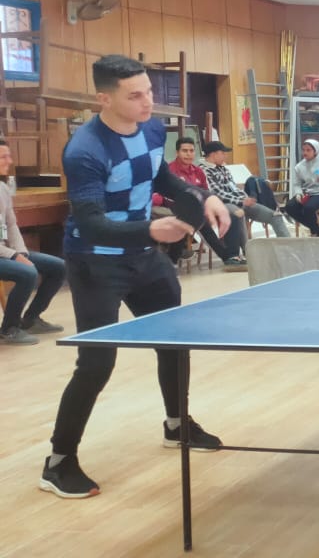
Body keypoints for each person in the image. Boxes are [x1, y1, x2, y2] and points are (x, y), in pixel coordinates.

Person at [42, 54, 229, 499]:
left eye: (149, 92)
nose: (148, 102)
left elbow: (160, 176)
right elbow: (91, 222)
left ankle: (177, 424)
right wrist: (150, 229)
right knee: (96, 363)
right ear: (104, 99)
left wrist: (202, 196)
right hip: (96, 262)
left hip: (145, 259)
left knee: (174, 342)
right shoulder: (85, 150)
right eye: (135, 95)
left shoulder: (152, 130)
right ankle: (59, 461)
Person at [0, 139, 66, 345]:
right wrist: (14, 256)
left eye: (9, 156)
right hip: (4, 254)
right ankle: (9, 329)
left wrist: (21, 251)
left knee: (59, 267)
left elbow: (11, 225)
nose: (9, 161)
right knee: (28, 273)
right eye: (3, 157)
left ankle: (30, 319)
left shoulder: (2, 188)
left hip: (5, 251)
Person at [163, 137, 247, 269]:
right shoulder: (169, 171)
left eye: (191, 151)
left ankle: (233, 256)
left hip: (199, 207)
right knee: (198, 218)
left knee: (232, 214)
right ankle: (227, 258)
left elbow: (206, 193)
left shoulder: (198, 172)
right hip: (176, 208)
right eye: (184, 151)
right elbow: (165, 195)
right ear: (177, 153)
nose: (188, 154)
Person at [202, 140, 289, 238]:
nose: (225, 156)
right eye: (222, 153)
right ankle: (245, 246)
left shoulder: (223, 168)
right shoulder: (204, 171)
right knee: (240, 215)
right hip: (225, 205)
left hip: (243, 203)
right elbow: (217, 193)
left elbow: (234, 188)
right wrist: (241, 201)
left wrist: (246, 198)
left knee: (276, 216)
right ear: (213, 154)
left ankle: (288, 245)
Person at [283, 139, 319, 237]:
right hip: (308, 194)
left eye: (308, 150)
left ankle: (316, 231)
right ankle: (317, 229)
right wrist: (298, 193)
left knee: (308, 208)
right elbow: (296, 184)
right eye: (303, 150)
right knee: (289, 207)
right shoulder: (299, 166)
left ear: (315, 151)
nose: (305, 153)